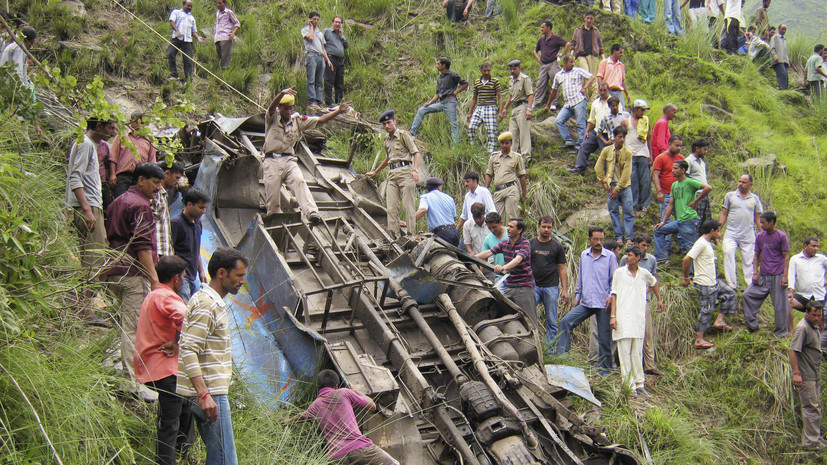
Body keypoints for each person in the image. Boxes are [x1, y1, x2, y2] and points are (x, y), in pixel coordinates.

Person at [177, 247, 248, 465]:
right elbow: (188, 348)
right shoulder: (207, 304)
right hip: (210, 393)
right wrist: (203, 394)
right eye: (239, 276)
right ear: (221, 273)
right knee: (226, 460)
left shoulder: (209, 300)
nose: (242, 281)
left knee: (218, 457)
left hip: (209, 392)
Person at [105, 162, 166, 403]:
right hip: (132, 273)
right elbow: (143, 245)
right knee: (133, 328)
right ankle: (132, 383)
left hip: (113, 269)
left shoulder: (118, 201)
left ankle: (123, 371)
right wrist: (153, 277)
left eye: (160, 184)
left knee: (124, 323)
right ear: (140, 180)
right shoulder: (141, 206)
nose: (158, 188)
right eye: (154, 182)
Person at [133, 255, 194, 465]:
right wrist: (176, 341)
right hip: (166, 369)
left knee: (185, 408)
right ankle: (168, 461)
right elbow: (187, 318)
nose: (184, 280)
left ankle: (185, 454)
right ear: (176, 278)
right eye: (184, 277)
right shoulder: (167, 298)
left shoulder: (153, 295)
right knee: (169, 423)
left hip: (154, 366)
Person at [262, 88, 349, 223]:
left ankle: (311, 212)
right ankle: (275, 222)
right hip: (272, 161)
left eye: (291, 109)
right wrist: (282, 94)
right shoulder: (272, 118)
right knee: (273, 200)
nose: (289, 112)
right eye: (286, 109)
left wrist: (338, 111)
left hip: (288, 160)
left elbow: (319, 120)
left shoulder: (297, 120)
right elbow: (271, 107)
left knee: (299, 181)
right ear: (280, 108)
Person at [288, 369, 399, 464]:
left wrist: (286, 421)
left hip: (336, 457)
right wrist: (357, 392)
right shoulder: (344, 393)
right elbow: (372, 406)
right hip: (359, 448)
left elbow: (300, 417)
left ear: (318, 386)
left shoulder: (314, 406)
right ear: (336, 386)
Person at [556, 227, 617, 376]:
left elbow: (615, 279)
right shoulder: (584, 255)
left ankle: (605, 371)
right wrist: (577, 297)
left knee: (604, 338)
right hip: (586, 302)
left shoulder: (610, 257)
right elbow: (581, 278)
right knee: (566, 322)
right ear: (589, 240)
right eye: (596, 239)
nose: (599, 242)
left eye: (601, 239)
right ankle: (562, 361)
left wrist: (611, 295)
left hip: (604, 303)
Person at [66, 118, 116, 282]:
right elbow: (75, 178)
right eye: (110, 128)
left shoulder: (88, 144)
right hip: (88, 206)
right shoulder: (85, 144)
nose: (113, 133)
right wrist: (87, 210)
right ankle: (85, 304)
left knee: (92, 257)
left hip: (91, 206)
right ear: (99, 126)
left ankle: (85, 301)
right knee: (94, 260)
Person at [611, 246, 662, 397]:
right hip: (622, 318)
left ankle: (640, 384)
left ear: (638, 257)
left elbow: (654, 282)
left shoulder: (644, 274)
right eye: (626, 255)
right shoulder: (619, 273)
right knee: (624, 353)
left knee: (636, 353)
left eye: (630, 255)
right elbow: (614, 294)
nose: (627, 257)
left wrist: (659, 299)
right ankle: (629, 385)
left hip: (638, 318)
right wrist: (613, 316)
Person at [682, 219, 736, 349]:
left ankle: (719, 320)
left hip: (713, 281)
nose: (719, 234)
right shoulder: (700, 243)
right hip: (705, 283)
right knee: (706, 310)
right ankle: (699, 339)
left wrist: (717, 240)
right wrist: (686, 278)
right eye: (718, 231)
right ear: (712, 231)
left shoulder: (707, 243)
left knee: (730, 293)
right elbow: (686, 259)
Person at [367, 109, 420, 238]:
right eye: (384, 124)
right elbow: (388, 158)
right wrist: (376, 171)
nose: (386, 126)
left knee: (408, 207)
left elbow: (415, 153)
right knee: (391, 209)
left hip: (405, 172)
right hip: (392, 174)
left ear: (394, 122)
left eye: (389, 122)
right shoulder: (386, 140)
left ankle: (411, 235)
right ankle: (395, 237)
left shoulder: (403, 135)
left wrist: (414, 170)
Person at [477, 218, 537, 327]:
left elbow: (518, 260)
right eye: (508, 226)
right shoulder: (505, 243)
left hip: (524, 287)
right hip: (510, 286)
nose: (508, 229)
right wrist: (471, 257)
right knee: (506, 317)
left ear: (519, 230)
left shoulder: (525, 243)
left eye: (511, 227)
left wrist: (503, 268)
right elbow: (489, 252)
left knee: (529, 320)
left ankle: (536, 342)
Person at [653, 160, 712, 262]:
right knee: (658, 231)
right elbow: (671, 204)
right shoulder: (674, 185)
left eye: (676, 168)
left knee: (692, 249)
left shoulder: (689, 182)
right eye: (673, 168)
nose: (673, 171)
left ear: (683, 170)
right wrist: (663, 221)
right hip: (679, 221)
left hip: (689, 220)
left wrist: (696, 201)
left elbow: (708, 188)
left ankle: (692, 275)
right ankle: (662, 259)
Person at [742, 212, 790, 336]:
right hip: (763, 275)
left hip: (778, 276)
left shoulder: (781, 236)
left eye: (763, 222)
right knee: (747, 295)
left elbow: (786, 257)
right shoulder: (760, 236)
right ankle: (753, 326)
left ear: (771, 222)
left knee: (780, 306)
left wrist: (785, 276)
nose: (761, 225)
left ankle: (781, 333)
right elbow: (756, 255)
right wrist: (755, 273)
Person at [620, 235, 661, 374]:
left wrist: (657, 298)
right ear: (636, 244)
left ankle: (649, 365)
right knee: (628, 332)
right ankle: (627, 365)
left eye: (647, 246)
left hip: (644, 300)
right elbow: (620, 279)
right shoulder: (625, 259)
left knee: (647, 332)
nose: (645, 248)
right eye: (643, 245)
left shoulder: (651, 260)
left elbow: (653, 281)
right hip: (627, 301)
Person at [790, 302, 827, 451]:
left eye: (819, 315)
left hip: (814, 373)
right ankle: (810, 443)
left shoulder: (814, 325)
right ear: (806, 312)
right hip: (806, 375)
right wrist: (796, 373)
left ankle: (815, 438)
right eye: (814, 315)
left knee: (815, 406)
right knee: (811, 408)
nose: (817, 318)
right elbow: (793, 350)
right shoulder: (802, 328)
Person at [530, 215, 570, 349]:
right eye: (544, 227)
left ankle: (549, 350)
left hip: (551, 287)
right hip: (533, 286)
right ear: (539, 227)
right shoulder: (531, 243)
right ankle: (531, 345)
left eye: (549, 227)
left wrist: (564, 290)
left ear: (552, 228)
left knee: (552, 321)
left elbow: (562, 268)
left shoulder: (557, 246)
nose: (546, 229)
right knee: (527, 314)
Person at [410, 56, 468, 146]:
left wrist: (455, 92)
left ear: (443, 65)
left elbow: (465, 84)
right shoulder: (440, 78)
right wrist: (430, 103)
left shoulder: (452, 75)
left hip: (450, 102)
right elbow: (437, 94)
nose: (436, 66)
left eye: (438, 64)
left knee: (454, 124)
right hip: (441, 102)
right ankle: (412, 133)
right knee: (422, 110)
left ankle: (456, 146)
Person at [718, 174, 762, 288]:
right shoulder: (730, 196)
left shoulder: (755, 199)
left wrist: (763, 234)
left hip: (748, 234)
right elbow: (724, 213)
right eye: (739, 181)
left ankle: (750, 285)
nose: (740, 184)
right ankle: (731, 284)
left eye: (744, 182)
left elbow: (758, 218)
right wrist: (718, 230)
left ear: (750, 184)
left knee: (749, 260)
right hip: (731, 233)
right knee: (728, 253)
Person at [545, 55, 597, 151]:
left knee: (580, 123)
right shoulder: (558, 75)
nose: (573, 64)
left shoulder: (577, 71)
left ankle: (580, 145)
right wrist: (548, 104)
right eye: (571, 62)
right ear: (564, 62)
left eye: (573, 62)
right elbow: (554, 90)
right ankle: (569, 141)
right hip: (568, 104)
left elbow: (591, 77)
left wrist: (585, 87)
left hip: (579, 101)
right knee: (559, 121)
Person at [595, 126, 634, 245]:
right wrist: (604, 182)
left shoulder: (627, 153)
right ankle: (619, 237)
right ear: (615, 137)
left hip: (624, 186)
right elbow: (598, 167)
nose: (622, 139)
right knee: (613, 211)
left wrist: (617, 189)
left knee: (628, 211)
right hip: (611, 185)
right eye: (619, 137)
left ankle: (629, 238)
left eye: (623, 137)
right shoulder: (606, 150)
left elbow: (627, 173)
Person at [171, 188, 210, 303]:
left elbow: (196, 249)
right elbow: (169, 251)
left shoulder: (198, 223)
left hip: (193, 276)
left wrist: (201, 272)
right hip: (181, 277)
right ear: (189, 204)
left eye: (205, 208)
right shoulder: (176, 223)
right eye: (201, 207)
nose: (203, 211)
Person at [110, 112, 158, 199]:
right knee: (120, 202)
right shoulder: (122, 136)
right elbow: (113, 157)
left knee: (137, 203)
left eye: (142, 123)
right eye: (137, 122)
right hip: (123, 177)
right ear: (130, 121)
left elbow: (152, 163)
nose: (140, 125)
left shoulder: (149, 140)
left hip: (140, 179)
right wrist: (112, 174)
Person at [484, 132, 527, 222]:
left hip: (510, 189)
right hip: (498, 191)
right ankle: (502, 236)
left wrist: (524, 194)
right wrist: (485, 190)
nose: (504, 145)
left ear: (511, 143)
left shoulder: (517, 157)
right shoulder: (494, 157)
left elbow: (522, 177)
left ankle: (516, 235)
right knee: (497, 218)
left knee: (512, 217)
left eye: (507, 143)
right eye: (502, 143)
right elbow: (489, 174)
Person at [569, 82, 610, 175]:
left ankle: (607, 176)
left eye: (605, 90)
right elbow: (592, 119)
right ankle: (579, 169)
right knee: (584, 146)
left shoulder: (613, 102)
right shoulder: (595, 103)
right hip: (596, 131)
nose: (602, 92)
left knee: (606, 154)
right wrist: (587, 131)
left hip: (607, 133)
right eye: (601, 90)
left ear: (608, 90)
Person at [500, 59, 534, 162]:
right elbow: (511, 95)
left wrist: (529, 109)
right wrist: (505, 108)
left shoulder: (524, 79)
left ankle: (526, 158)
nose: (512, 71)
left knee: (524, 133)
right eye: (511, 69)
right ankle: (512, 157)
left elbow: (530, 94)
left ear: (520, 69)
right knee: (512, 134)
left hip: (522, 106)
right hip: (514, 108)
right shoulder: (511, 80)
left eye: (514, 69)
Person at [533, 21, 571, 112]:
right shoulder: (541, 40)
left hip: (553, 63)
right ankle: (537, 102)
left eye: (543, 27)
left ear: (548, 28)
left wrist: (562, 54)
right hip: (544, 64)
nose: (541, 29)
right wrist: (539, 59)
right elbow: (535, 51)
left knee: (555, 84)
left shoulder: (556, 38)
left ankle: (553, 103)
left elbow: (567, 44)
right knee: (540, 83)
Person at [623, 99, 652, 213]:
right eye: (641, 110)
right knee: (633, 180)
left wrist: (650, 154)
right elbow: (622, 137)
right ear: (635, 109)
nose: (643, 112)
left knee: (645, 180)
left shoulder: (645, 121)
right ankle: (634, 204)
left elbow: (649, 137)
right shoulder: (626, 122)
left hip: (643, 152)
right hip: (630, 153)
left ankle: (645, 204)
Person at [467, 62, 503, 154]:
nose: (487, 72)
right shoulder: (477, 82)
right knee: (471, 128)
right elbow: (474, 98)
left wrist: (500, 110)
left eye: (488, 70)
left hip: (490, 107)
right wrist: (470, 112)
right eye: (484, 71)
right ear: (481, 70)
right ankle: (474, 149)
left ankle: (491, 153)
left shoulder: (495, 81)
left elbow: (499, 96)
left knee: (491, 131)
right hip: (479, 107)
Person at [301, 12, 334, 110]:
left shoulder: (320, 33)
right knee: (311, 80)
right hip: (311, 56)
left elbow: (323, 48)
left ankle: (319, 102)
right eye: (314, 19)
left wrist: (327, 60)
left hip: (320, 57)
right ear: (310, 19)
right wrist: (311, 27)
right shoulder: (305, 30)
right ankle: (312, 101)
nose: (316, 21)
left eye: (317, 19)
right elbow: (310, 37)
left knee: (319, 81)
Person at [153, 162, 185, 258]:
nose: (178, 182)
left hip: (164, 253)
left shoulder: (163, 195)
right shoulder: (155, 195)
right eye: (177, 178)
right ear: (167, 173)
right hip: (157, 252)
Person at [168, 0, 205, 81]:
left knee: (188, 60)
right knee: (170, 54)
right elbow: (172, 21)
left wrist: (198, 37)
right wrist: (177, 31)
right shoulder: (176, 12)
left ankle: (188, 79)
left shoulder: (191, 18)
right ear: (183, 4)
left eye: (191, 6)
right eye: (188, 5)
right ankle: (174, 74)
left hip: (187, 41)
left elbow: (193, 31)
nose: (190, 8)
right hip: (176, 39)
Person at [788, 238, 827, 315]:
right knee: (787, 302)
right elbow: (791, 276)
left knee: (820, 319)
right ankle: (790, 327)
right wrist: (791, 290)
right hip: (803, 296)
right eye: (813, 246)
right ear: (805, 246)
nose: (816, 249)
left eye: (817, 246)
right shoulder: (795, 259)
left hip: (820, 295)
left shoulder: (822, 259)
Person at [416, 177, 459, 246]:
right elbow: (454, 218)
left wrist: (409, 222)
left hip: (442, 233)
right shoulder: (449, 198)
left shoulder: (426, 197)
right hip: (454, 232)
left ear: (428, 188)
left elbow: (422, 210)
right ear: (439, 187)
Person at [570, 11, 603, 100]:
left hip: (592, 55)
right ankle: (585, 96)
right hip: (581, 55)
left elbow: (600, 44)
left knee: (593, 76)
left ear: (593, 20)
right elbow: (573, 42)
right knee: (585, 73)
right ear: (585, 18)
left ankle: (593, 98)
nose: (589, 20)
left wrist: (603, 56)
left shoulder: (595, 31)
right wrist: (572, 54)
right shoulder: (578, 30)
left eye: (591, 18)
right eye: (587, 18)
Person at [651, 135, 684, 220]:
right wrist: (659, 192)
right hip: (666, 194)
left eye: (680, 146)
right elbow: (655, 175)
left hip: (678, 193)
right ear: (669, 144)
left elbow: (684, 175)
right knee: (665, 221)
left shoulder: (681, 158)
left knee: (680, 219)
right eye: (676, 145)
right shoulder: (661, 158)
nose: (679, 148)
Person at [685, 139, 710, 232]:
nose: (706, 152)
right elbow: (685, 178)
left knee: (705, 220)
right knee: (696, 220)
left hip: (704, 194)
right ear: (697, 148)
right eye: (705, 149)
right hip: (696, 195)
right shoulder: (689, 161)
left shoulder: (702, 162)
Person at [323, 16, 348, 107]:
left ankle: (339, 101)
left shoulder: (341, 34)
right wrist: (326, 59)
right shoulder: (327, 31)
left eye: (339, 22)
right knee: (329, 80)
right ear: (332, 23)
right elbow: (320, 42)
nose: (337, 24)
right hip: (331, 59)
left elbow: (346, 46)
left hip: (340, 61)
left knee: (339, 82)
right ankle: (329, 101)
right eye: (336, 22)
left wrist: (342, 37)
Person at [482, 212, 507, 288]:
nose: (492, 230)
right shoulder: (488, 239)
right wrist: (480, 274)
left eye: (494, 227)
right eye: (489, 228)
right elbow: (484, 258)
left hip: (513, 275)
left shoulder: (510, 234)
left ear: (500, 223)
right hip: (499, 275)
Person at [213, 0, 240, 69]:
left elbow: (237, 24)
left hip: (225, 37)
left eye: (220, 3)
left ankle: (225, 72)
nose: (218, 5)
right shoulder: (217, 13)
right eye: (217, 3)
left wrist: (232, 34)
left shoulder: (228, 12)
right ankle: (222, 72)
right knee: (220, 56)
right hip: (218, 37)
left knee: (225, 56)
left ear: (224, 4)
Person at [769, 24, 789, 90]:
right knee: (782, 74)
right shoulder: (775, 37)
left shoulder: (784, 39)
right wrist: (775, 56)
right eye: (782, 29)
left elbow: (785, 51)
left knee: (786, 75)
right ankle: (782, 89)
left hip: (784, 61)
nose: (784, 31)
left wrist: (787, 61)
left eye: (785, 29)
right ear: (779, 29)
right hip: (778, 60)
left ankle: (785, 90)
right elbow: (772, 48)